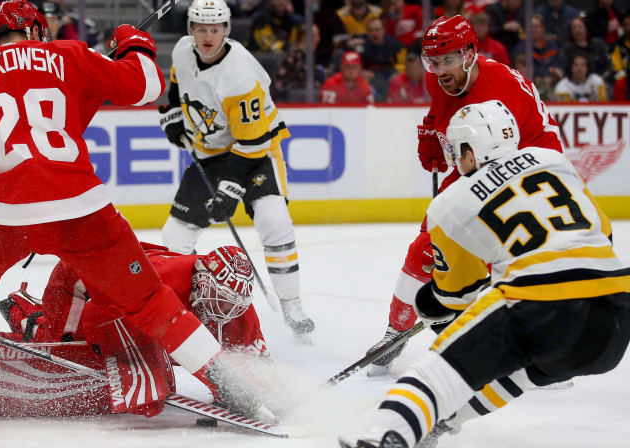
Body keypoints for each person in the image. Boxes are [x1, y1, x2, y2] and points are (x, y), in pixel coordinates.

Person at [0, 0, 263, 433]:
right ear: (40, 33)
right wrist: (131, 42)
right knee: (147, 300)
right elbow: (147, 87)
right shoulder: (70, 55)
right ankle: (228, 384)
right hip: (78, 210)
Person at [339, 100, 630, 448]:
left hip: (540, 302)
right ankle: (441, 424)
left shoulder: (451, 201)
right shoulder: (554, 160)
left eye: (457, 150)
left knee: (436, 373)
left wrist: (427, 302)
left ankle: (384, 437)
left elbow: (456, 295)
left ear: (470, 151)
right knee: (519, 372)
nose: (455, 159)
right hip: (615, 315)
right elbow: (604, 234)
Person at [364, 15, 562, 376]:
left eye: (448, 60)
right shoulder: (442, 77)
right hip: (478, 154)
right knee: (425, 245)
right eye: (432, 62)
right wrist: (435, 135)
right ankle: (397, 331)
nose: (438, 70)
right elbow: (441, 110)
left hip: (529, 162)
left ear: (470, 54)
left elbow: (503, 160)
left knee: (508, 258)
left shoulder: (498, 90)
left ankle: (541, 350)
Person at [0, 244, 267, 417]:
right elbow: (98, 318)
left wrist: (255, 389)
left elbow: (257, 365)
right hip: (79, 287)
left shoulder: (235, 307)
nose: (227, 311)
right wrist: (143, 370)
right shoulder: (161, 283)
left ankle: (33, 316)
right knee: (67, 354)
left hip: (117, 299)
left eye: (234, 302)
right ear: (200, 282)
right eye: (219, 299)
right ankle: (27, 316)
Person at [157, 0, 315, 340]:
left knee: (273, 218)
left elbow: (253, 142)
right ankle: (182, 309)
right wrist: (172, 118)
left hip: (255, 151)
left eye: (215, 29)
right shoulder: (184, 52)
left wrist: (229, 191)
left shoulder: (239, 75)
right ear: (191, 30)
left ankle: (292, 305)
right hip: (211, 153)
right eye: (201, 28)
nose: (208, 36)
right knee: (175, 235)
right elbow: (175, 86)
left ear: (227, 30)